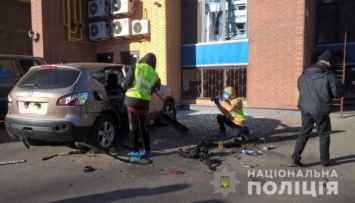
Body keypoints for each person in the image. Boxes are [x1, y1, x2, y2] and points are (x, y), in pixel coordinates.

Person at [292, 50, 345, 167]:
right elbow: (337, 93)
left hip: (305, 108)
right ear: (328, 62)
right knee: (324, 135)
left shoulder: (303, 75)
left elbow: (301, 90)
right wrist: (341, 87)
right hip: (321, 109)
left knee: (304, 133)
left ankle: (295, 157)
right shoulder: (329, 76)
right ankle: (325, 161)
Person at [121, 53, 161, 160]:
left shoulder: (136, 66)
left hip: (132, 100)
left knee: (132, 126)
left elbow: (126, 84)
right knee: (143, 126)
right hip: (144, 103)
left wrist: (123, 84)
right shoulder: (155, 74)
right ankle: (148, 150)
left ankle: (135, 151)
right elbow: (153, 90)